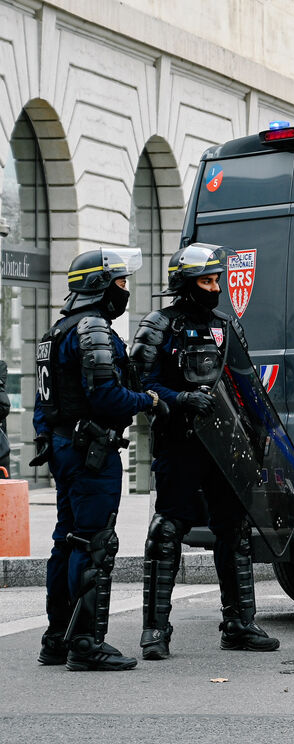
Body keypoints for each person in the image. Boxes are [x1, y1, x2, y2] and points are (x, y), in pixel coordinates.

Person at [131, 243, 279, 659]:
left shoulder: (225, 325)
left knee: (234, 531)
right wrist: (178, 399)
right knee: (167, 531)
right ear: (184, 284)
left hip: (224, 444)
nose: (215, 288)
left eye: (217, 280)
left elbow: (246, 384)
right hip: (179, 443)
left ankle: (239, 625)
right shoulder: (157, 326)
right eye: (207, 281)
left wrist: (261, 432)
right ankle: (155, 631)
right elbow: (139, 385)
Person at [33, 248, 162, 670]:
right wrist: (148, 399)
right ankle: (86, 643)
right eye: (121, 282)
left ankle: (57, 639)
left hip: (64, 447)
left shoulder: (56, 330)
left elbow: (44, 402)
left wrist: (48, 440)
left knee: (66, 540)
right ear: (99, 285)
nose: (125, 289)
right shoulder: (92, 328)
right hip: (91, 452)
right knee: (94, 544)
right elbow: (107, 396)